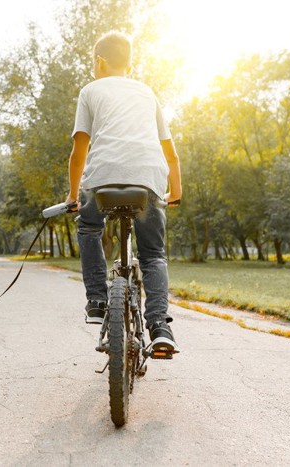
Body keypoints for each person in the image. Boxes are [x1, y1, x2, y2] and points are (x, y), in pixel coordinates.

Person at [64, 31, 182, 357]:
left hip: (100, 181)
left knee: (89, 227)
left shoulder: (90, 90)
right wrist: (176, 192)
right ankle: (160, 327)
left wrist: (74, 197)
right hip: (149, 181)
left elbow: (79, 152)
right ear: (129, 63)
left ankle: (98, 301)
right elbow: (170, 153)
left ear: (99, 61)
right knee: (153, 255)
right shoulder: (148, 93)